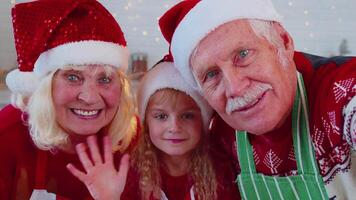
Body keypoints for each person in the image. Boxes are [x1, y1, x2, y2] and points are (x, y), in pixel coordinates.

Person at [158, 0, 356, 199]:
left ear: (284, 41)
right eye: (211, 74)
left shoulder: (341, 89)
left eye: (243, 54)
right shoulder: (222, 140)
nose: (235, 88)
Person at [0, 0, 137, 199]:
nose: (89, 97)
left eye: (105, 79)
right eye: (73, 77)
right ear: (46, 86)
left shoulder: (134, 139)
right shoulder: (7, 134)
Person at [66, 58, 240, 200]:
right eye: (161, 116)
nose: (174, 127)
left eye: (187, 116)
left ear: (203, 121)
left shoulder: (223, 170)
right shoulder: (129, 174)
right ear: (146, 122)